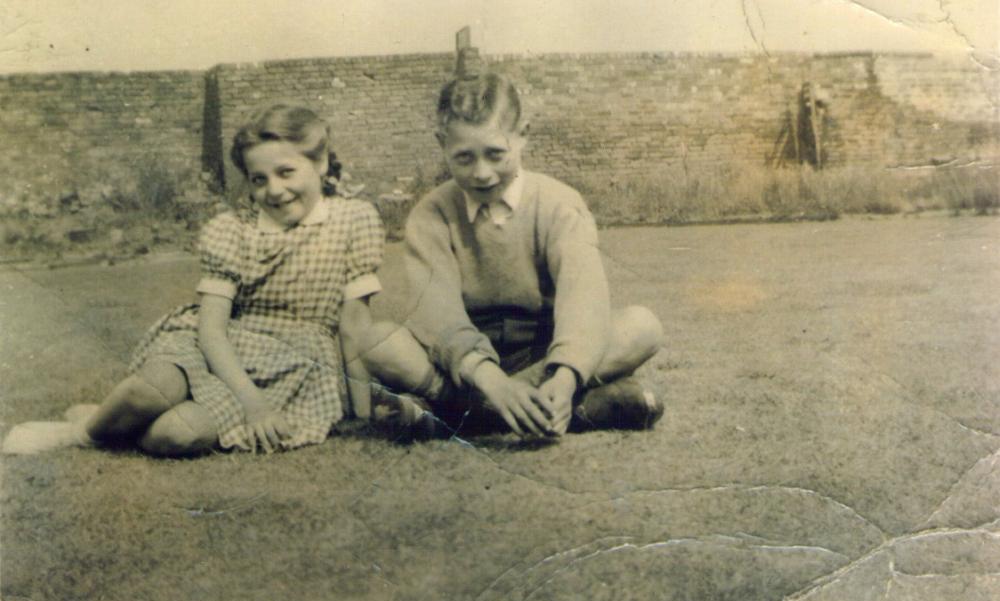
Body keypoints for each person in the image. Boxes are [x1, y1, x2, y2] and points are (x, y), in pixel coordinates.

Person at [3, 104, 390, 456]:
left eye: (286, 172)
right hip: (219, 347)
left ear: (320, 162)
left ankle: (111, 418)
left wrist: (362, 413)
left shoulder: (353, 220)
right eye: (258, 179)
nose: (274, 190)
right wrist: (251, 404)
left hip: (295, 366)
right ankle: (82, 433)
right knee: (149, 390)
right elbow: (212, 331)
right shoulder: (232, 230)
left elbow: (354, 325)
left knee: (178, 435)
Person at [360, 73, 665, 438]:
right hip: (466, 367)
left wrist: (565, 375)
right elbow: (437, 314)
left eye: (495, 154)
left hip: (544, 354)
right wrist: (490, 380)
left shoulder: (560, 204)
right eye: (464, 158)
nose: (482, 173)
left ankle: (468, 417)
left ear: (523, 134)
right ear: (442, 145)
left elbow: (583, 299)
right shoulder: (432, 214)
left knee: (642, 326)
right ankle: (584, 408)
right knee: (376, 340)